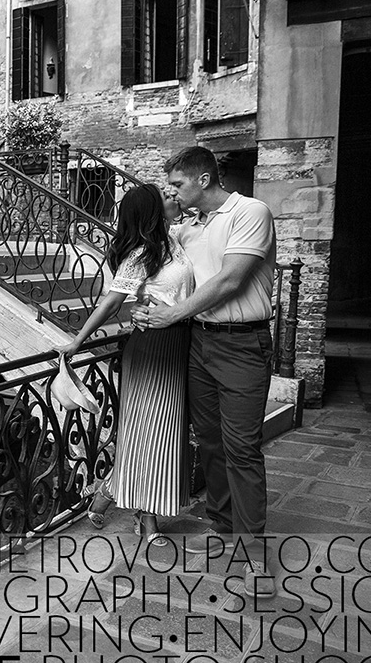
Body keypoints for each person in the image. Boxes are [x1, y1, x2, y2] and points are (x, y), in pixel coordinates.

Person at [131, 146, 277, 598]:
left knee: (242, 448)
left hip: (242, 344)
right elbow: (166, 277)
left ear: (204, 179)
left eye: (177, 184)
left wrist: (172, 317)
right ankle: (223, 524)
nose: (172, 193)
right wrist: (144, 307)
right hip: (198, 342)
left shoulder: (251, 211)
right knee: (209, 441)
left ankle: (254, 556)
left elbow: (230, 281)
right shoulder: (187, 231)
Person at [59, 184, 193, 545]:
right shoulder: (139, 255)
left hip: (179, 343)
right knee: (148, 434)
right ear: (152, 210)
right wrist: (77, 341)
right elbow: (109, 304)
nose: (173, 199)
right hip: (151, 348)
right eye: (164, 197)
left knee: (165, 433)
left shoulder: (175, 240)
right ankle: (146, 520)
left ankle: (104, 494)